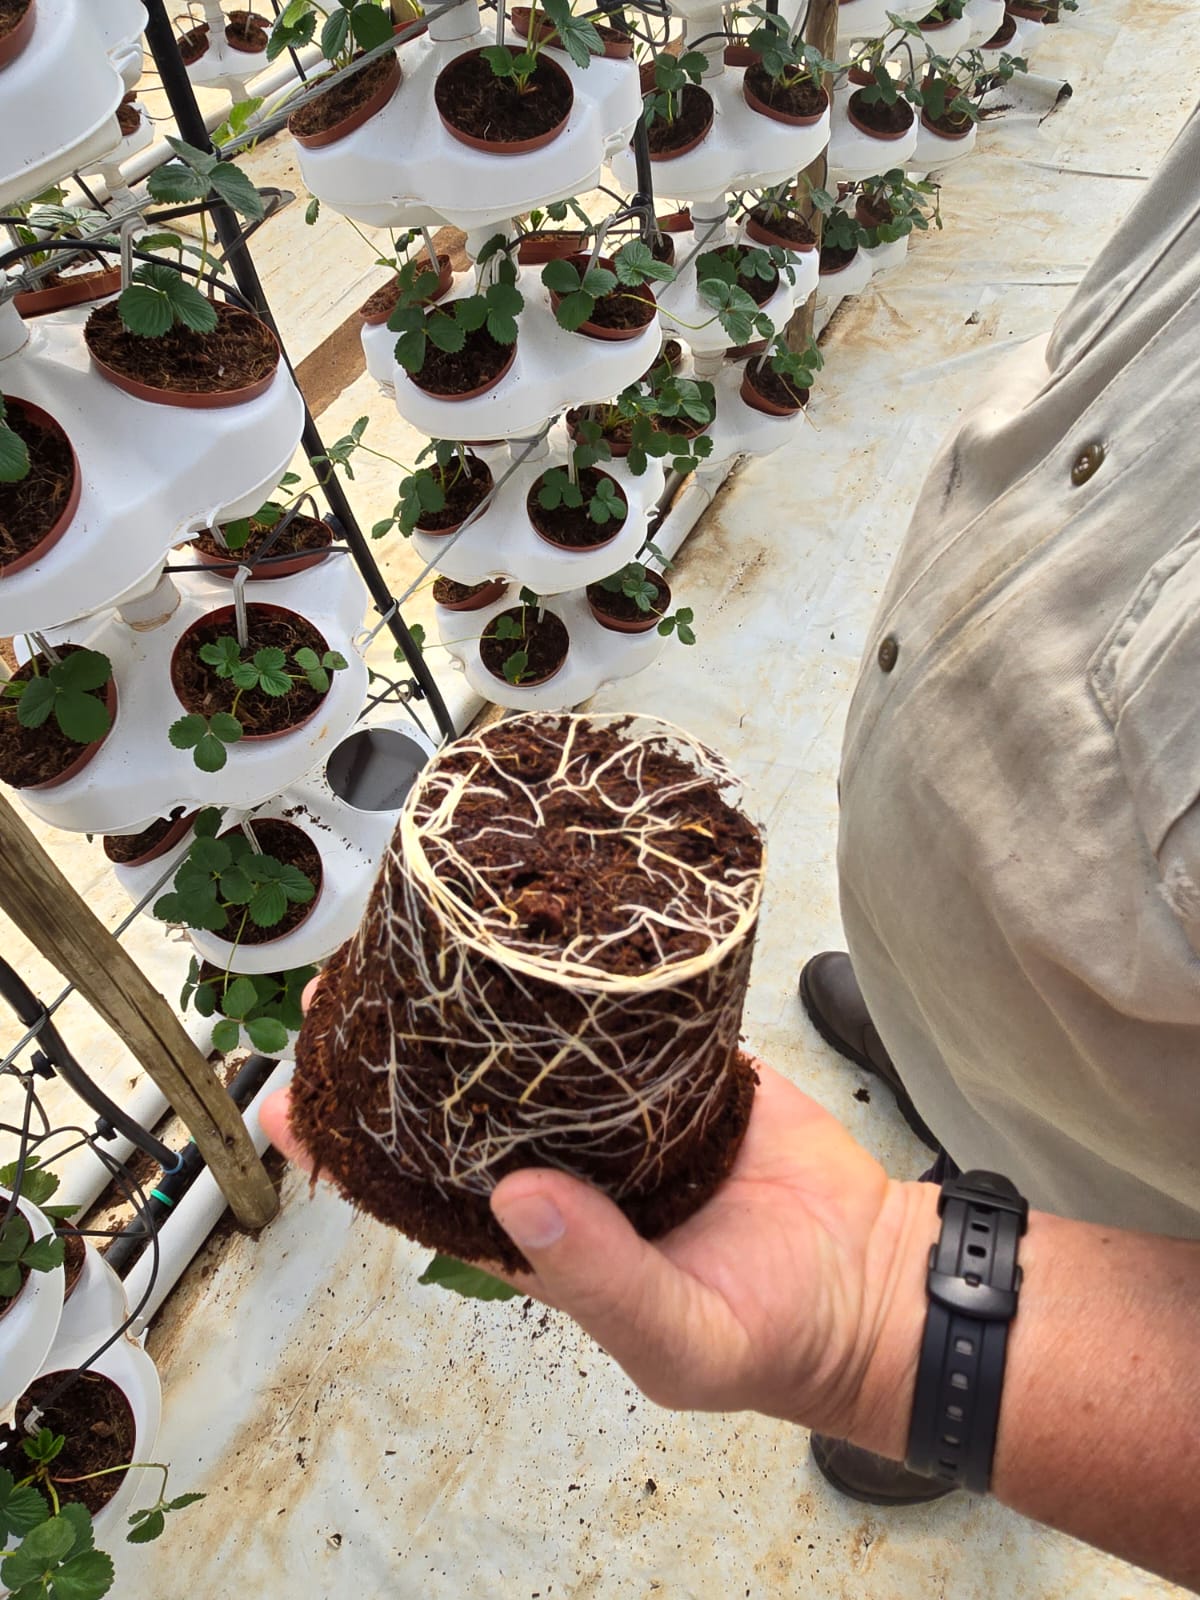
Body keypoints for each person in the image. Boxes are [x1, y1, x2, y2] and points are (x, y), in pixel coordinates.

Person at [262, 101, 1200, 1594]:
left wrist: (901, 1332)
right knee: (945, 1025)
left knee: (1055, 1183)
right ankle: (930, 1057)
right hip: (967, 941)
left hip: (1142, 1168)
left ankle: (1006, 1346)